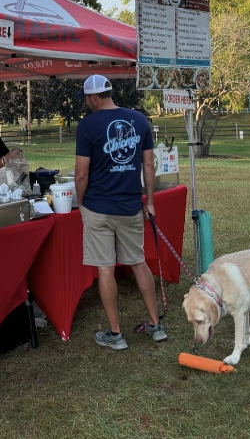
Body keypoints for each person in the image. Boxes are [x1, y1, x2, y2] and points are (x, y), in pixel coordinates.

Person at [74, 74, 166, 351]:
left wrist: (81, 204)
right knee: (138, 262)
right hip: (129, 206)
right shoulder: (139, 119)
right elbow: (149, 166)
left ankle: (116, 334)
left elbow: (81, 173)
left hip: (98, 207)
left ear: (93, 97)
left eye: (87, 99)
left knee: (105, 269)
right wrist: (149, 200)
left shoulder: (87, 125)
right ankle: (154, 325)